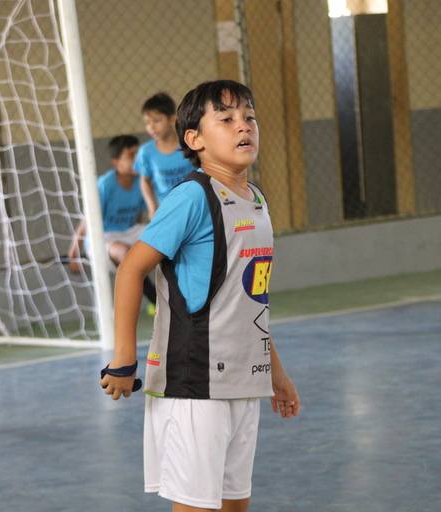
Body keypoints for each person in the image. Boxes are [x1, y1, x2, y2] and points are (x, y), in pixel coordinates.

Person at [100, 80, 300, 512]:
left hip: (243, 382)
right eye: (226, 119)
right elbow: (131, 269)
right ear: (194, 140)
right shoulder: (192, 196)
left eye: (249, 117)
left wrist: (276, 373)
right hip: (195, 384)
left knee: (235, 507)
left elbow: (249, 301)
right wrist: (123, 359)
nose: (243, 126)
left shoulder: (255, 200)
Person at [68, 134, 156, 308]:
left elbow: (138, 217)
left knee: (165, 237)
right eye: (131, 155)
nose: (137, 159)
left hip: (129, 231)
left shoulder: (142, 181)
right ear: (116, 162)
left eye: (138, 154)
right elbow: (87, 221)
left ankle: (175, 295)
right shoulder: (105, 184)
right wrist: (73, 254)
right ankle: (155, 301)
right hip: (103, 237)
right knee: (124, 252)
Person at [135, 92, 196, 217]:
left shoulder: (189, 143)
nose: (151, 127)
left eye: (156, 121)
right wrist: (152, 207)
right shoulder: (146, 152)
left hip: (195, 206)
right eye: (147, 122)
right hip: (167, 211)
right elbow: (144, 181)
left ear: (172, 119)